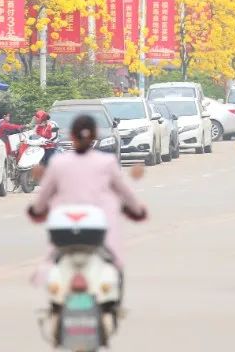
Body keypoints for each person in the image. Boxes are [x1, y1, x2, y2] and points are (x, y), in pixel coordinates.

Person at [28, 115, 147, 290]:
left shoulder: (58, 163)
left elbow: (43, 197)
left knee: (53, 259)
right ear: (94, 137)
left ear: (72, 137)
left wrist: (36, 210)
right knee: (112, 262)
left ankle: (55, 307)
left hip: (65, 228)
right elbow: (125, 192)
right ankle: (110, 306)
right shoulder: (107, 162)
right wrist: (137, 210)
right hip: (99, 230)